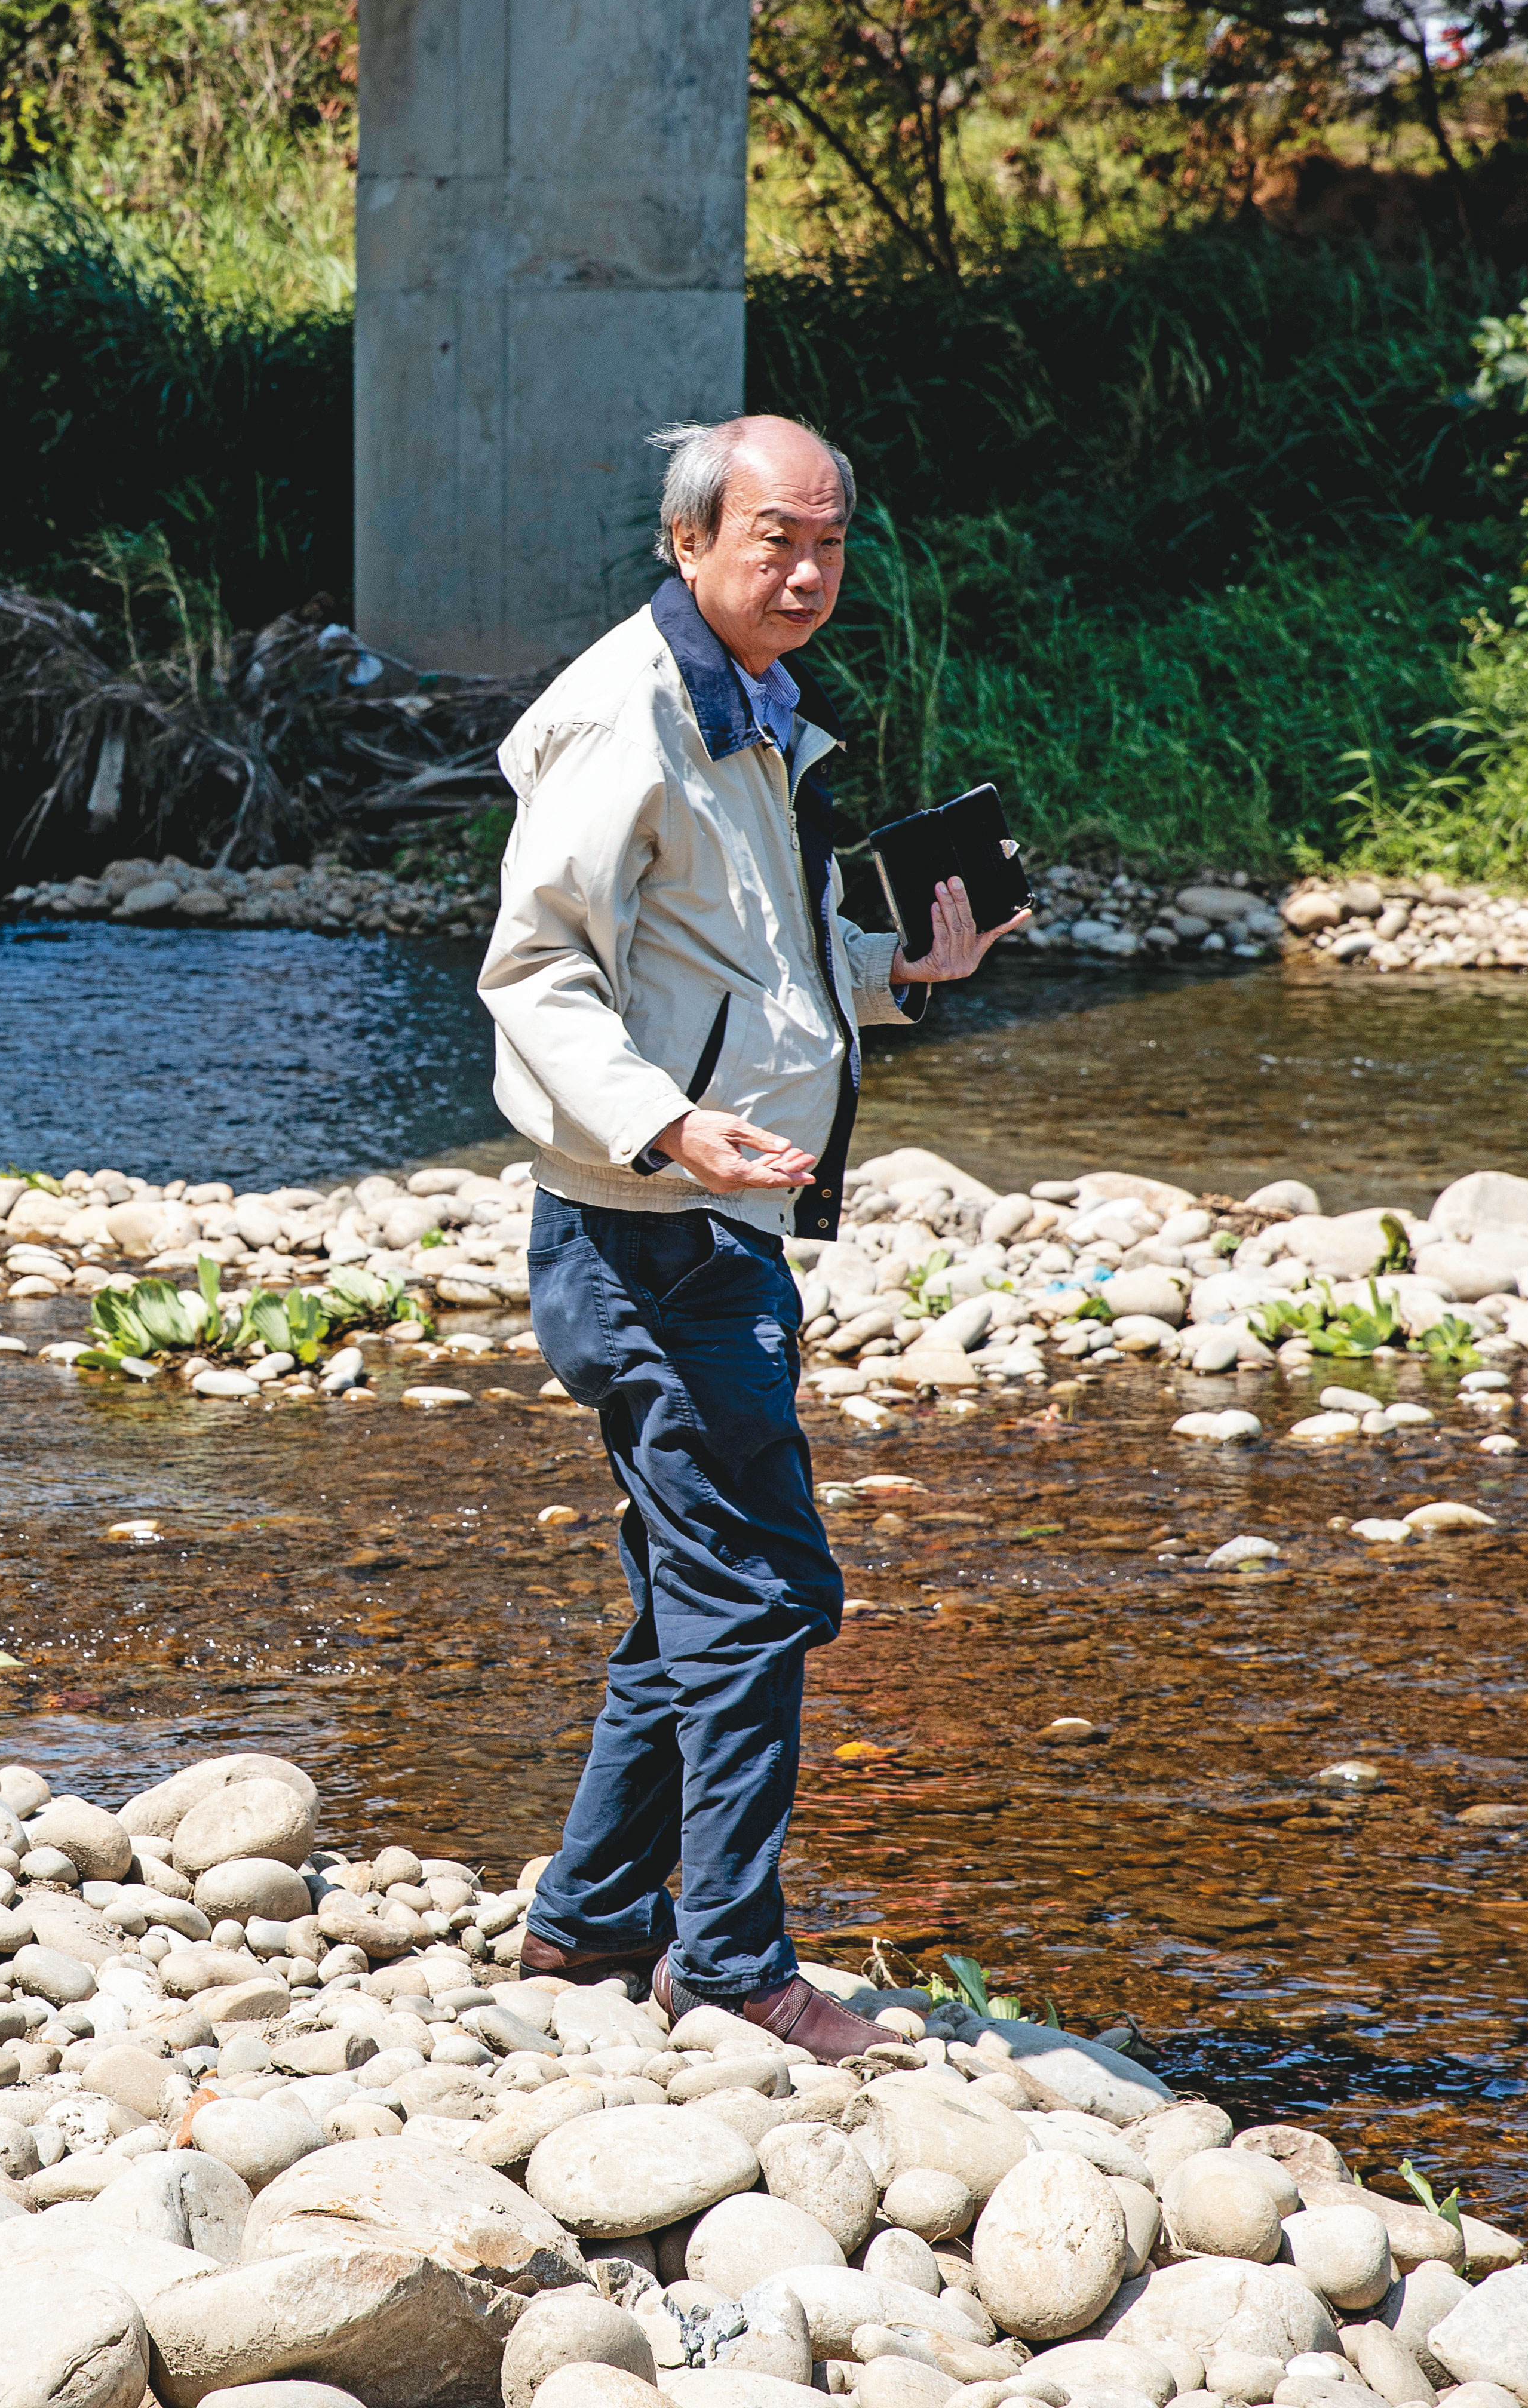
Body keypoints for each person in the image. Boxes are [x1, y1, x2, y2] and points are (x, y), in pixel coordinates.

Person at [476, 413, 1021, 2051]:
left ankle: (587, 1924)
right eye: (775, 538)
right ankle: (728, 1963)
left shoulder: (750, 704)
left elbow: (748, 969)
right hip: (651, 1230)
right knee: (761, 1594)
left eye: (830, 542)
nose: (806, 571)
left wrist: (895, 969)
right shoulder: (627, 717)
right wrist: (664, 1121)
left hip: (705, 1218)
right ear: (690, 540)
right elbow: (537, 969)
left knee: (700, 1588)